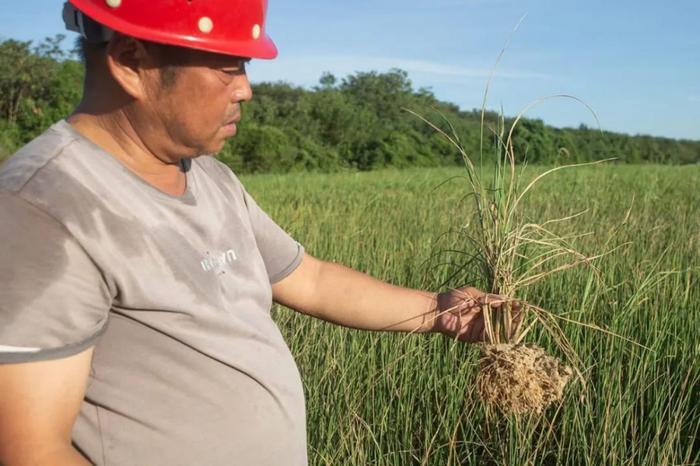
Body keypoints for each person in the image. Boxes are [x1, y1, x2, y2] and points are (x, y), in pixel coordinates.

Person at [0, 1, 513, 465]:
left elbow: (309, 280)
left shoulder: (207, 175)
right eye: (228, 67)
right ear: (132, 62)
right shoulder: (43, 207)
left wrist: (441, 312)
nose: (245, 87)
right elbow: (29, 450)